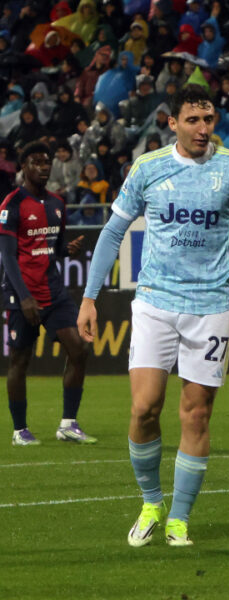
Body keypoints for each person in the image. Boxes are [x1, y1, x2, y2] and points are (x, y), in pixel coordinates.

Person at [77, 85, 229, 547]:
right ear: (173, 123)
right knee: (144, 407)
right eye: (193, 120)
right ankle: (151, 501)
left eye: (209, 120)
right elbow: (112, 233)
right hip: (155, 303)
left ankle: (179, 519)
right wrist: (89, 297)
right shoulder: (148, 168)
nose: (203, 129)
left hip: (211, 307)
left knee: (196, 414)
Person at [2, 142, 92, 446]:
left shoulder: (57, 203)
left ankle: (68, 424)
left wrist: (67, 250)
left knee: (78, 349)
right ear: (24, 166)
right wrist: (24, 296)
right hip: (22, 293)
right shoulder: (11, 205)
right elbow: (8, 257)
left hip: (53, 291)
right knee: (20, 361)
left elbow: (51, 249)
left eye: (47, 161)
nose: (44, 166)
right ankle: (20, 430)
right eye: (36, 161)